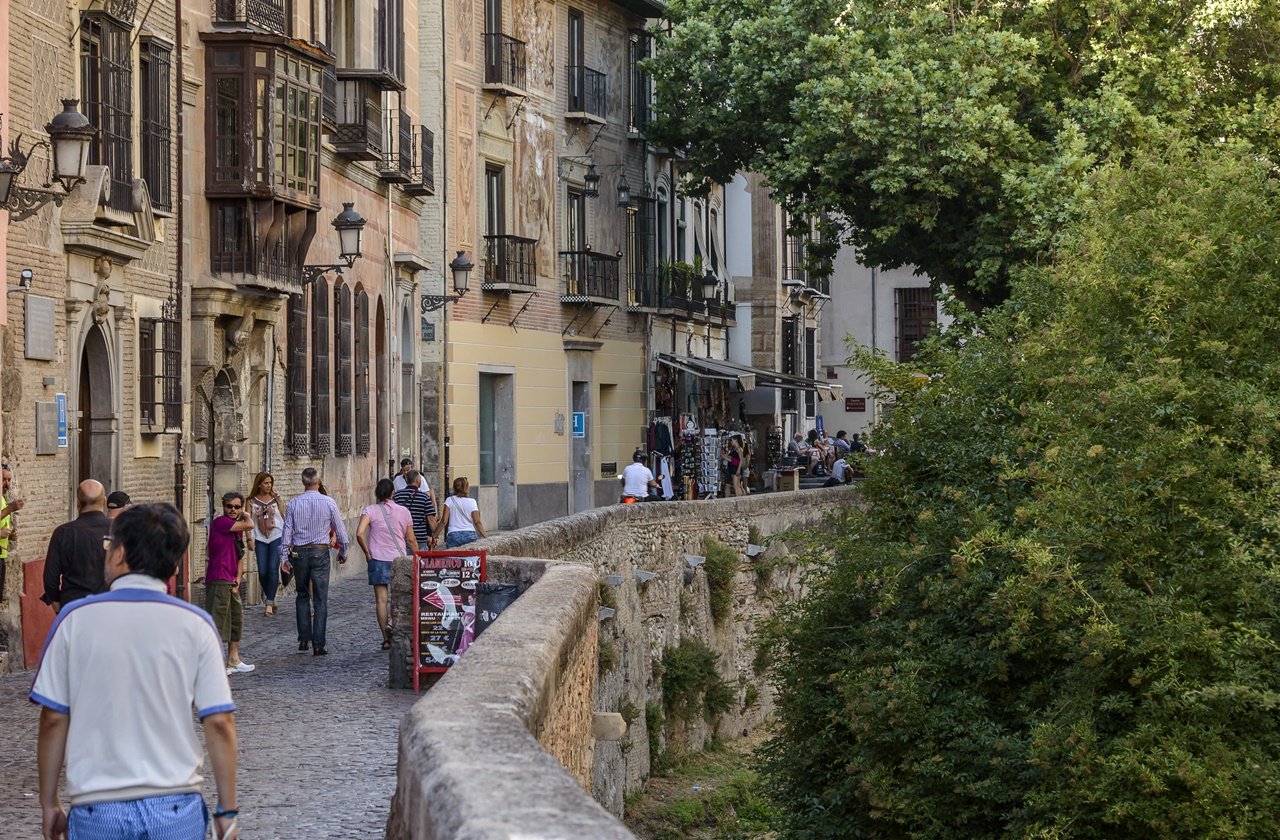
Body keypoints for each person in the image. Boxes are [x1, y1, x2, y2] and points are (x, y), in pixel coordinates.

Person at [31, 503, 240, 840]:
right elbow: (219, 722)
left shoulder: (74, 621)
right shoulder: (196, 625)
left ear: (120, 554)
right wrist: (226, 813)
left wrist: (49, 803)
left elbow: (54, 717)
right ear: (173, 567)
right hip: (175, 807)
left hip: (98, 807)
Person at [279, 467, 349, 656]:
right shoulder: (329, 502)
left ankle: (303, 639)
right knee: (320, 599)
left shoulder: (294, 503)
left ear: (303, 483)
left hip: (300, 553)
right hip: (320, 551)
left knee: (302, 595)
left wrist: (283, 557)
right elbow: (341, 531)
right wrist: (343, 551)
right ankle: (318, 644)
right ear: (319, 481)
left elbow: (287, 532)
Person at [356, 478, 418, 650]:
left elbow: (360, 533)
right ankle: (396, 629)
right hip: (399, 560)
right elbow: (411, 539)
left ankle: (385, 639)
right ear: (393, 493)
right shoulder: (404, 511)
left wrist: (367, 553)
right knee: (398, 598)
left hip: (377, 558)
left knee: (381, 601)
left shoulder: (370, 510)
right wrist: (419, 556)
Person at [42, 480, 112, 612]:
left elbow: (50, 579)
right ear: (104, 501)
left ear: (77, 503)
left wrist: (60, 610)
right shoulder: (119, 530)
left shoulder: (63, 533)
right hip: (110, 606)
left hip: (74, 606)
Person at [206, 492, 255, 675]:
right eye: (229, 506)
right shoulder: (222, 522)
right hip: (219, 577)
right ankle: (215, 663)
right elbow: (250, 524)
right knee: (218, 622)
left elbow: (240, 553)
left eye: (237, 507)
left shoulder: (236, 529)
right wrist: (247, 514)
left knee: (235, 620)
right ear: (223, 507)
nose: (233, 510)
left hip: (230, 579)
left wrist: (238, 578)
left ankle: (234, 660)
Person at [247, 471, 285, 616]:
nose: (269, 486)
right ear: (259, 484)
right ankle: (271, 595)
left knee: (273, 568)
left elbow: (283, 516)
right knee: (262, 570)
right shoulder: (251, 500)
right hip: (260, 537)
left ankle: (269, 603)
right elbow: (248, 520)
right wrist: (249, 539)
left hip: (276, 535)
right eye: (266, 483)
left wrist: (280, 503)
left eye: (270, 483)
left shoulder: (275, 498)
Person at [437, 477, 488, 547]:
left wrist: (435, 535)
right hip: (470, 534)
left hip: (453, 535)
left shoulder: (449, 500)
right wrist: (486, 536)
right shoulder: (472, 502)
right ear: (466, 487)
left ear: (454, 488)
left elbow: (444, 521)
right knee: (471, 557)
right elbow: (477, 522)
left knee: (452, 557)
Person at [393, 469, 437, 550]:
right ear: (417, 480)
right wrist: (435, 535)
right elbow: (431, 519)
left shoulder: (397, 496)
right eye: (420, 479)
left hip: (401, 536)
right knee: (419, 561)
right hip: (420, 538)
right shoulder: (424, 497)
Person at [0, 463, 25, 601]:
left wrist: (8, 536)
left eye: (9, 480)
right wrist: (10, 508)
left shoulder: (2, 498)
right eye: (4, 480)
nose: (7, 484)